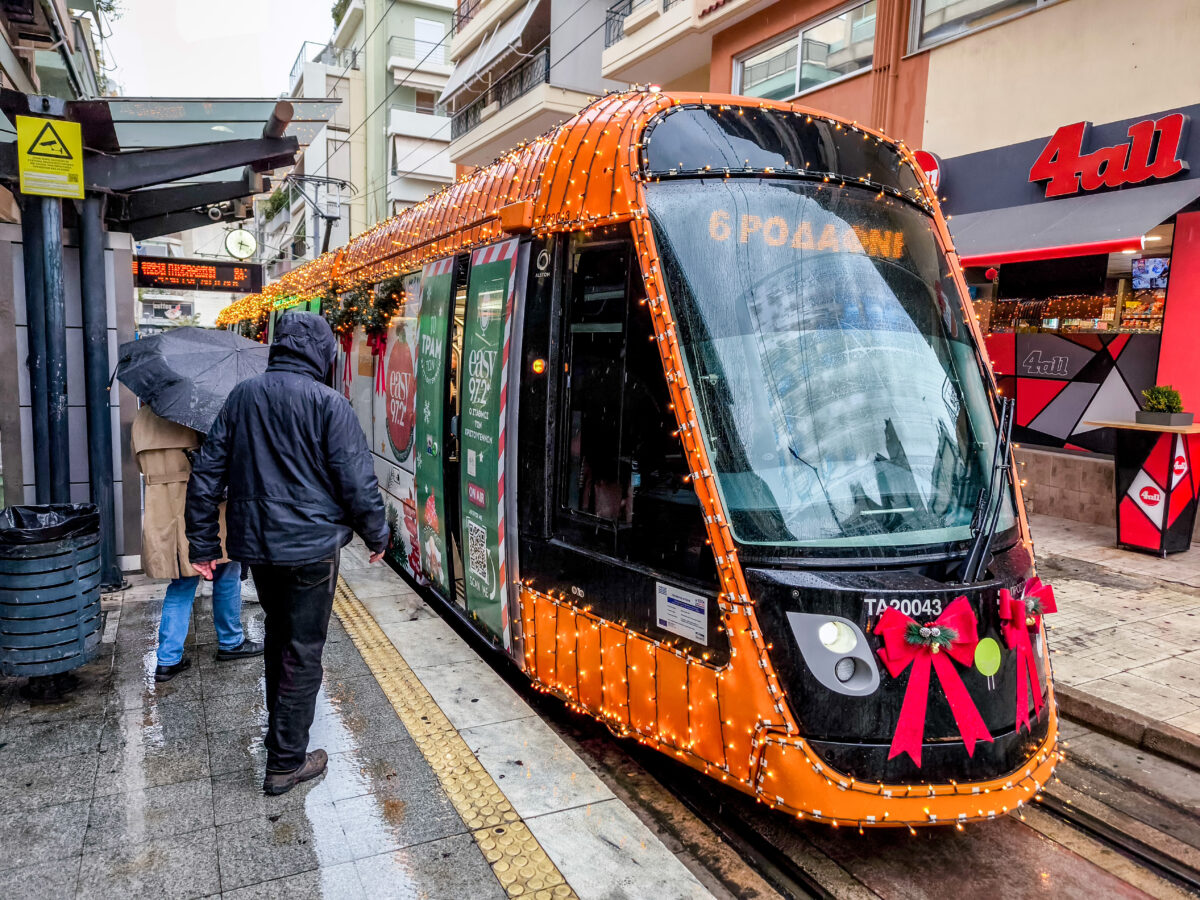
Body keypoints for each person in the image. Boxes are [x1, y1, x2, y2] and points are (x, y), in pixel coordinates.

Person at [186, 312, 389, 796]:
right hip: (313, 551)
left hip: (259, 546)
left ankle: (281, 734)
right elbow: (355, 479)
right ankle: (286, 762)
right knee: (303, 649)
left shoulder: (242, 398)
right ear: (319, 352)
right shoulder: (329, 403)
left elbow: (207, 474)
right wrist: (377, 534)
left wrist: (202, 544)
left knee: (279, 635)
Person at [130, 406, 264, 682]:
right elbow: (218, 458)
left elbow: (138, 464)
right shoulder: (192, 412)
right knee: (227, 571)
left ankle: (168, 658)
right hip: (201, 504)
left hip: (162, 508)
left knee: (181, 582)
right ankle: (231, 641)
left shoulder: (141, 418)